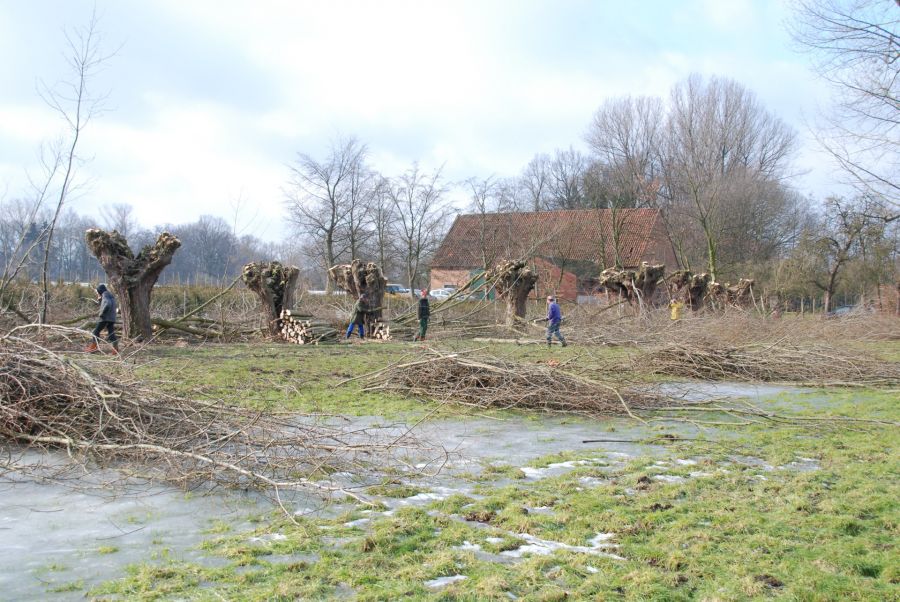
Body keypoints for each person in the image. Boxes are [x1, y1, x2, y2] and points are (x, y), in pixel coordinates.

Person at [87, 283, 118, 353]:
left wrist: (101, 313)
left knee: (95, 332)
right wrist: (100, 300)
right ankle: (115, 349)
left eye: (98, 292)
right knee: (111, 334)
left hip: (105, 318)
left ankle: (93, 348)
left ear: (100, 291)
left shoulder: (105, 295)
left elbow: (107, 304)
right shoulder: (110, 295)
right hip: (112, 318)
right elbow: (107, 303)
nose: (98, 293)